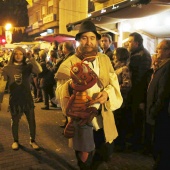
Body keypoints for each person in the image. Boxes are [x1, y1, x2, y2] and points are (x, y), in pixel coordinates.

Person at [55, 20, 123, 170]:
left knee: (103, 154)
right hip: (80, 120)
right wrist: (72, 86)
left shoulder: (104, 59)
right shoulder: (69, 63)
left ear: (97, 40)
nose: (89, 42)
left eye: (92, 38)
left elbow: (113, 83)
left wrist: (106, 93)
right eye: (84, 38)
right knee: (84, 160)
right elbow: (59, 92)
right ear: (78, 40)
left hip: (102, 117)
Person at [0, 47, 42, 150]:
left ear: (23, 55)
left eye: (21, 54)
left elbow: (39, 70)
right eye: (16, 54)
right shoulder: (7, 68)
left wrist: (31, 58)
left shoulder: (28, 67)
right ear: (13, 55)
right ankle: (15, 140)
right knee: (15, 121)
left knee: (31, 120)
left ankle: (33, 140)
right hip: (15, 99)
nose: (18, 56)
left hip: (27, 98)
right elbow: (2, 85)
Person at [146, 40, 170, 170]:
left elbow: (163, 93)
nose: (156, 50)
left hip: (161, 113)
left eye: (160, 48)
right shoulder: (161, 66)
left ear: (168, 51)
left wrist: (154, 110)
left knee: (160, 141)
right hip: (155, 111)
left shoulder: (168, 68)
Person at [127, 32, 152, 151]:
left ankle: (136, 144)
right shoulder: (136, 54)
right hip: (134, 94)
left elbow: (141, 80)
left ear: (136, 43)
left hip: (137, 94)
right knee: (133, 119)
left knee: (137, 119)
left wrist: (140, 99)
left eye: (130, 41)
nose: (128, 44)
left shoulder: (142, 56)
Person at [112, 47, 131, 151]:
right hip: (115, 99)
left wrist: (115, 88)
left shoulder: (124, 69)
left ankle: (120, 145)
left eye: (115, 54)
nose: (114, 56)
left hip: (121, 100)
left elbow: (127, 84)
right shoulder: (115, 68)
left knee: (119, 122)